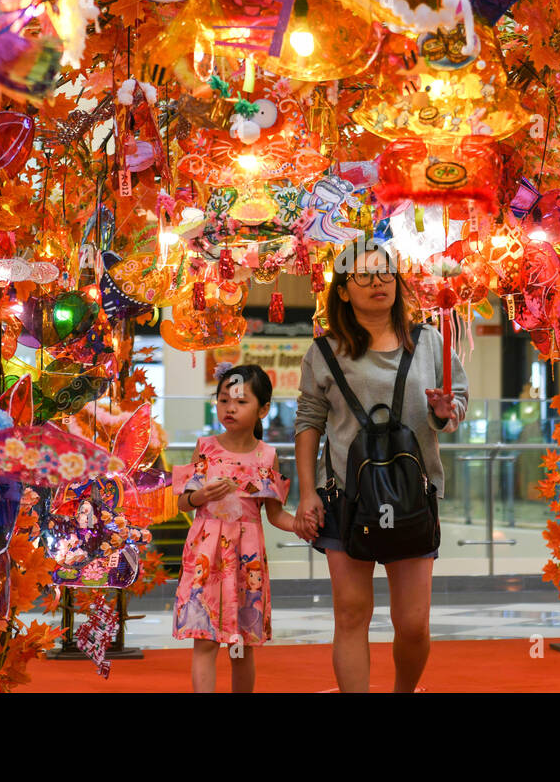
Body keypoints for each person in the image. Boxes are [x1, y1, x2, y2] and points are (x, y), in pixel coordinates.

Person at [294, 243, 467, 692]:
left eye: (385, 273)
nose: (378, 282)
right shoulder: (324, 351)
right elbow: (310, 421)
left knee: (413, 624)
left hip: (412, 494)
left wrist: (447, 411)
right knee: (351, 614)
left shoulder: (430, 341)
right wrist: (307, 492)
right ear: (344, 291)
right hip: (344, 498)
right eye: (364, 276)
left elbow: (456, 405)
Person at [171, 364, 298, 692]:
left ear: (264, 409)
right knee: (205, 641)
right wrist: (200, 495)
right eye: (223, 399)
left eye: (241, 402)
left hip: (247, 558)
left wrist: (303, 525)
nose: (229, 408)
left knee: (242, 648)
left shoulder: (268, 456)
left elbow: (276, 514)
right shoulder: (205, 447)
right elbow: (182, 503)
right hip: (205, 556)